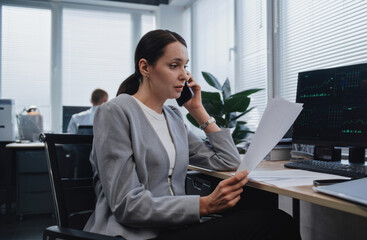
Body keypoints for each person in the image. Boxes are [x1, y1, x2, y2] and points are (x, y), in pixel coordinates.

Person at [84, 29, 301, 240]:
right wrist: (205, 205)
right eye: (174, 65)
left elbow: (229, 161)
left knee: (270, 217)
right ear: (145, 67)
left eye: (185, 66)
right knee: (276, 223)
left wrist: (197, 110)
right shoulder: (115, 112)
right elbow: (126, 205)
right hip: (137, 234)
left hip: (176, 227)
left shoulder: (173, 118)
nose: (184, 75)